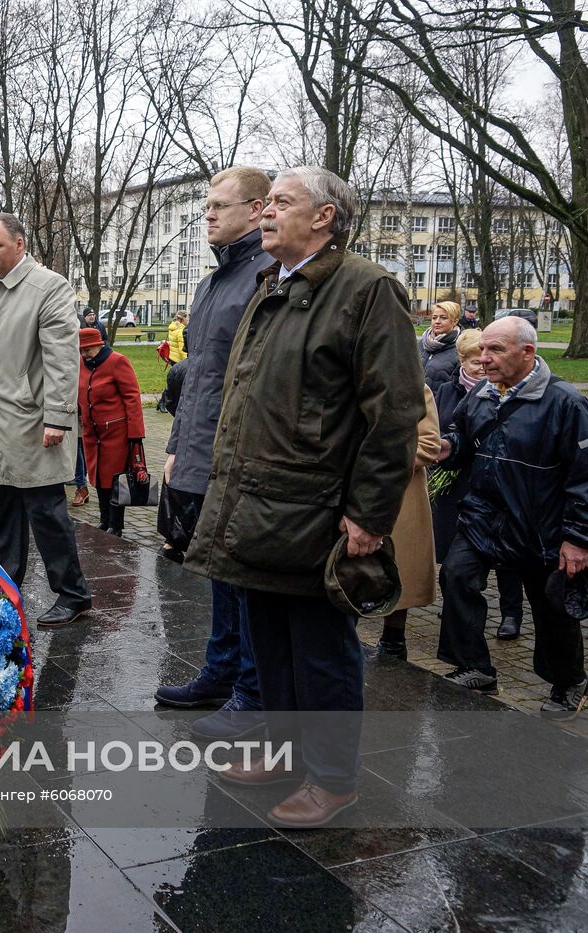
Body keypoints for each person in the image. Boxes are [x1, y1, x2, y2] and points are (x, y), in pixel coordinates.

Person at [185, 166, 423, 827]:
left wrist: (369, 516)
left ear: (324, 218)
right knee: (271, 645)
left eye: (282, 203)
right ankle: (285, 754)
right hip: (258, 506)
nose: (266, 213)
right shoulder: (272, 285)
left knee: (320, 651)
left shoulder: (366, 290)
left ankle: (333, 777)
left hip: (318, 512)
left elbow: (395, 411)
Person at [153, 166, 272, 739]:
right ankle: (220, 673)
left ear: (257, 209)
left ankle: (251, 691)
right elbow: (195, 376)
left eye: (218, 207)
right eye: (206, 208)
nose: (207, 216)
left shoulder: (266, 276)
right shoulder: (212, 283)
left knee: (244, 576)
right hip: (204, 450)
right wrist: (177, 446)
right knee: (219, 573)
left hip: (245, 457)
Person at [435, 317, 588, 719]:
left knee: (551, 606)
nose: (484, 359)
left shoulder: (566, 404)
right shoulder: (484, 393)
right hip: (483, 516)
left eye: (495, 350)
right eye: (482, 349)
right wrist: (448, 447)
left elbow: (584, 477)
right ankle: (476, 668)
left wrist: (577, 539)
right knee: (456, 576)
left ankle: (568, 681)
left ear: (528, 353)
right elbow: (462, 433)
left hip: (539, 526)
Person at [0, 212, 91, 628]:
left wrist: (57, 417)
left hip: (34, 424)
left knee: (47, 514)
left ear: (19, 245)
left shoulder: (48, 287)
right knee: (4, 512)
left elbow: (62, 359)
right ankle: (6, 587)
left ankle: (73, 595)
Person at [431, 328, 524, 640]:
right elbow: (454, 430)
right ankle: (472, 660)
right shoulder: (455, 392)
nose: (482, 363)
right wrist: (448, 446)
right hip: (463, 492)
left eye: (490, 354)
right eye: (476, 358)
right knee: (457, 569)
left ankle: (512, 613)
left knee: (508, 562)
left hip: (510, 499)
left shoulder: (537, 397)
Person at [366, 386, 441, 660]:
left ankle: (393, 640)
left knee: (400, 567)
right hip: (351, 494)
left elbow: (429, 445)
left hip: (400, 495)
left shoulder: (417, 391)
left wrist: (374, 466)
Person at [77, 327, 144, 535]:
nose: (84, 354)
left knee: (116, 479)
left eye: (87, 350)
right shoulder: (81, 364)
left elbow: (133, 399)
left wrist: (135, 435)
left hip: (116, 433)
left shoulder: (117, 361)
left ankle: (116, 525)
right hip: (92, 433)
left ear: (99, 345)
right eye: (81, 351)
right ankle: (104, 519)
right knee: (98, 478)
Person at [419, 300, 463, 390]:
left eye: (443, 318)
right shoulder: (422, 343)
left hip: (441, 402)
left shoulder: (461, 347)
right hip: (415, 401)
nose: (437, 321)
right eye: (434, 318)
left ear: (455, 321)